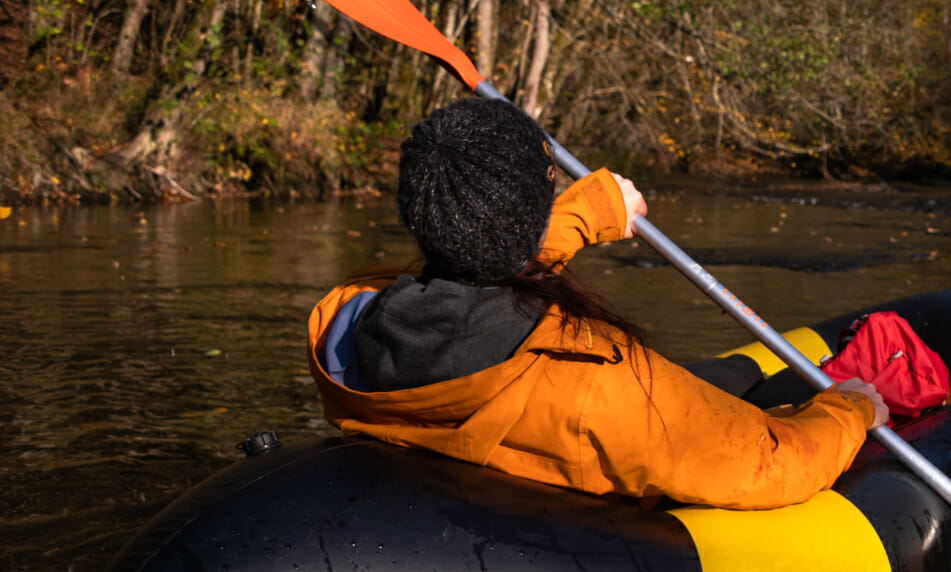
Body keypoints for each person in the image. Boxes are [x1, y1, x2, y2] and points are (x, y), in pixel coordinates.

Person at [306, 97, 888, 509]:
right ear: (531, 215)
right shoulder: (597, 384)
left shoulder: (352, 318)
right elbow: (771, 466)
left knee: (731, 373)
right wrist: (851, 411)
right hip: (611, 472)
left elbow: (481, 267)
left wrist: (595, 210)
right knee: (746, 395)